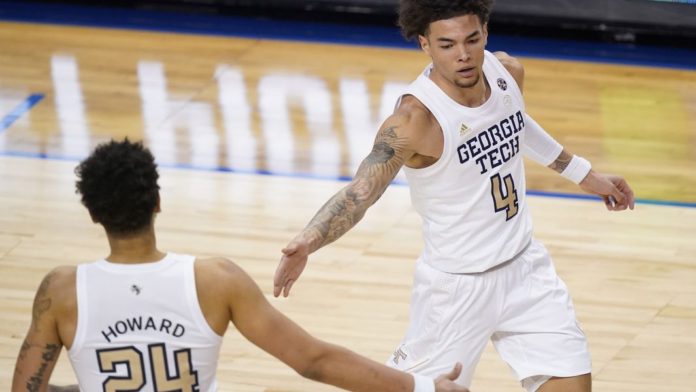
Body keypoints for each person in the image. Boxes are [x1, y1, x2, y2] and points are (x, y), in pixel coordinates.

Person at [273, 1, 636, 391]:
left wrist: (583, 174)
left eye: (471, 40)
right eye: (447, 45)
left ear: (485, 33)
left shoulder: (507, 73)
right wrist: (310, 239)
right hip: (456, 290)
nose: (462, 55)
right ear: (425, 45)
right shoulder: (415, 121)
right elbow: (362, 191)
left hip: (525, 269)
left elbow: (514, 121)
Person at [11, 139, 470, 392]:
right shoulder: (214, 279)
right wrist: (426, 390)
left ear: (92, 213)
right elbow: (314, 361)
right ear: (157, 202)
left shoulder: (62, 290)